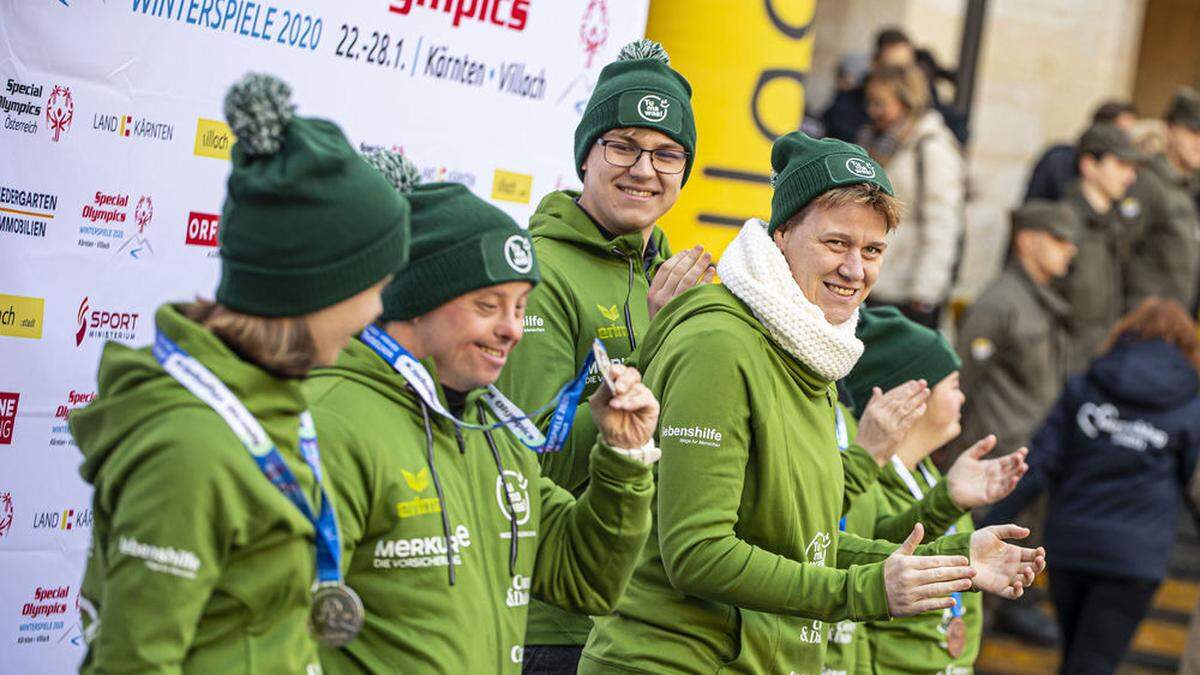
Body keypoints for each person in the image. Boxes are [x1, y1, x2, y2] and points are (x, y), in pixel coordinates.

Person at [579, 132, 1045, 674]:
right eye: (836, 243)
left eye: (872, 251)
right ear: (782, 234)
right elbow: (697, 555)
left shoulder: (811, 346)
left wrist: (956, 559)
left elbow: (802, 544)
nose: (856, 269)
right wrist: (866, 590)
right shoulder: (720, 343)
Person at [67, 74, 411, 673]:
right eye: (373, 286)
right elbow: (135, 662)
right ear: (315, 287)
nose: (379, 309)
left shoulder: (272, 404)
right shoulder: (193, 446)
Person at [305, 153, 663, 674]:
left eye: (519, 306)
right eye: (488, 305)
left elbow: (584, 576)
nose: (513, 329)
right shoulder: (331, 419)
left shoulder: (493, 430)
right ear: (420, 299)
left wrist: (623, 459)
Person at [494, 38, 711, 673]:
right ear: (587, 154)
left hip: (634, 620)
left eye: (667, 153)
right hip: (545, 620)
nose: (645, 169)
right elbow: (522, 461)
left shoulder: (666, 273)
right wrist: (658, 346)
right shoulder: (537, 268)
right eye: (623, 145)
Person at [983, 298, 1200, 675]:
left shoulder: (1085, 386)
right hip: (1135, 558)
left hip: (1071, 546)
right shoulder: (1189, 405)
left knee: (1079, 658)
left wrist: (987, 522)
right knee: (1092, 663)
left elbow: (1039, 464)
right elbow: (1194, 483)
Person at [823, 307, 1030, 675]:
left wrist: (949, 499)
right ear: (913, 396)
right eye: (953, 385)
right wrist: (944, 504)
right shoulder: (857, 478)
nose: (963, 397)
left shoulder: (930, 479)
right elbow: (869, 554)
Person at [953, 200, 1081, 460]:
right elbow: (962, 380)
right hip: (993, 454)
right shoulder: (999, 303)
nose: (1070, 250)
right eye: (1058, 239)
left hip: (1030, 451)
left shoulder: (1042, 300)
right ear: (1026, 241)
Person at [858, 65, 965, 328]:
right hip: (870, 279)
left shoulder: (931, 146)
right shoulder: (873, 141)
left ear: (906, 101)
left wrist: (925, 291)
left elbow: (942, 221)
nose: (873, 111)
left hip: (907, 293)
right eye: (870, 102)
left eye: (880, 103)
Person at [1055, 123, 1141, 373]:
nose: (1130, 177)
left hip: (1099, 366)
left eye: (1133, 168)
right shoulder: (1063, 225)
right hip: (1066, 371)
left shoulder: (1116, 226)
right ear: (1089, 165)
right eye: (1121, 165)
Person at [822, 27, 968, 146]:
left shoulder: (930, 130)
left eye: (906, 68)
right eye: (891, 69)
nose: (900, 78)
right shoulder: (848, 108)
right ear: (875, 64)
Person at [1125, 87, 1200, 312]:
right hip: (1142, 322)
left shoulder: (1187, 190)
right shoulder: (1148, 183)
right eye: (1193, 132)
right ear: (1169, 131)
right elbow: (1119, 252)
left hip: (1173, 325)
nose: (1199, 143)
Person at [1024, 101, 1139, 203]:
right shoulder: (1057, 160)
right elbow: (1033, 206)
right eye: (1121, 132)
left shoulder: (1129, 176)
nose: (1126, 139)